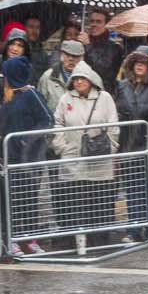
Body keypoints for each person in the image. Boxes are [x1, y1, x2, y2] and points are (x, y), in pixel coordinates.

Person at [50, 62, 120, 246]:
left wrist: (110, 148)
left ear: (91, 80)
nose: (79, 82)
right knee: (73, 201)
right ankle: (74, 241)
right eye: (76, 79)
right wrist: (61, 147)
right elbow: (58, 123)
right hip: (72, 158)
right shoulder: (65, 99)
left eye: (83, 78)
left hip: (99, 159)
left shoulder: (105, 98)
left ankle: (100, 241)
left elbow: (113, 126)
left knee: (100, 201)